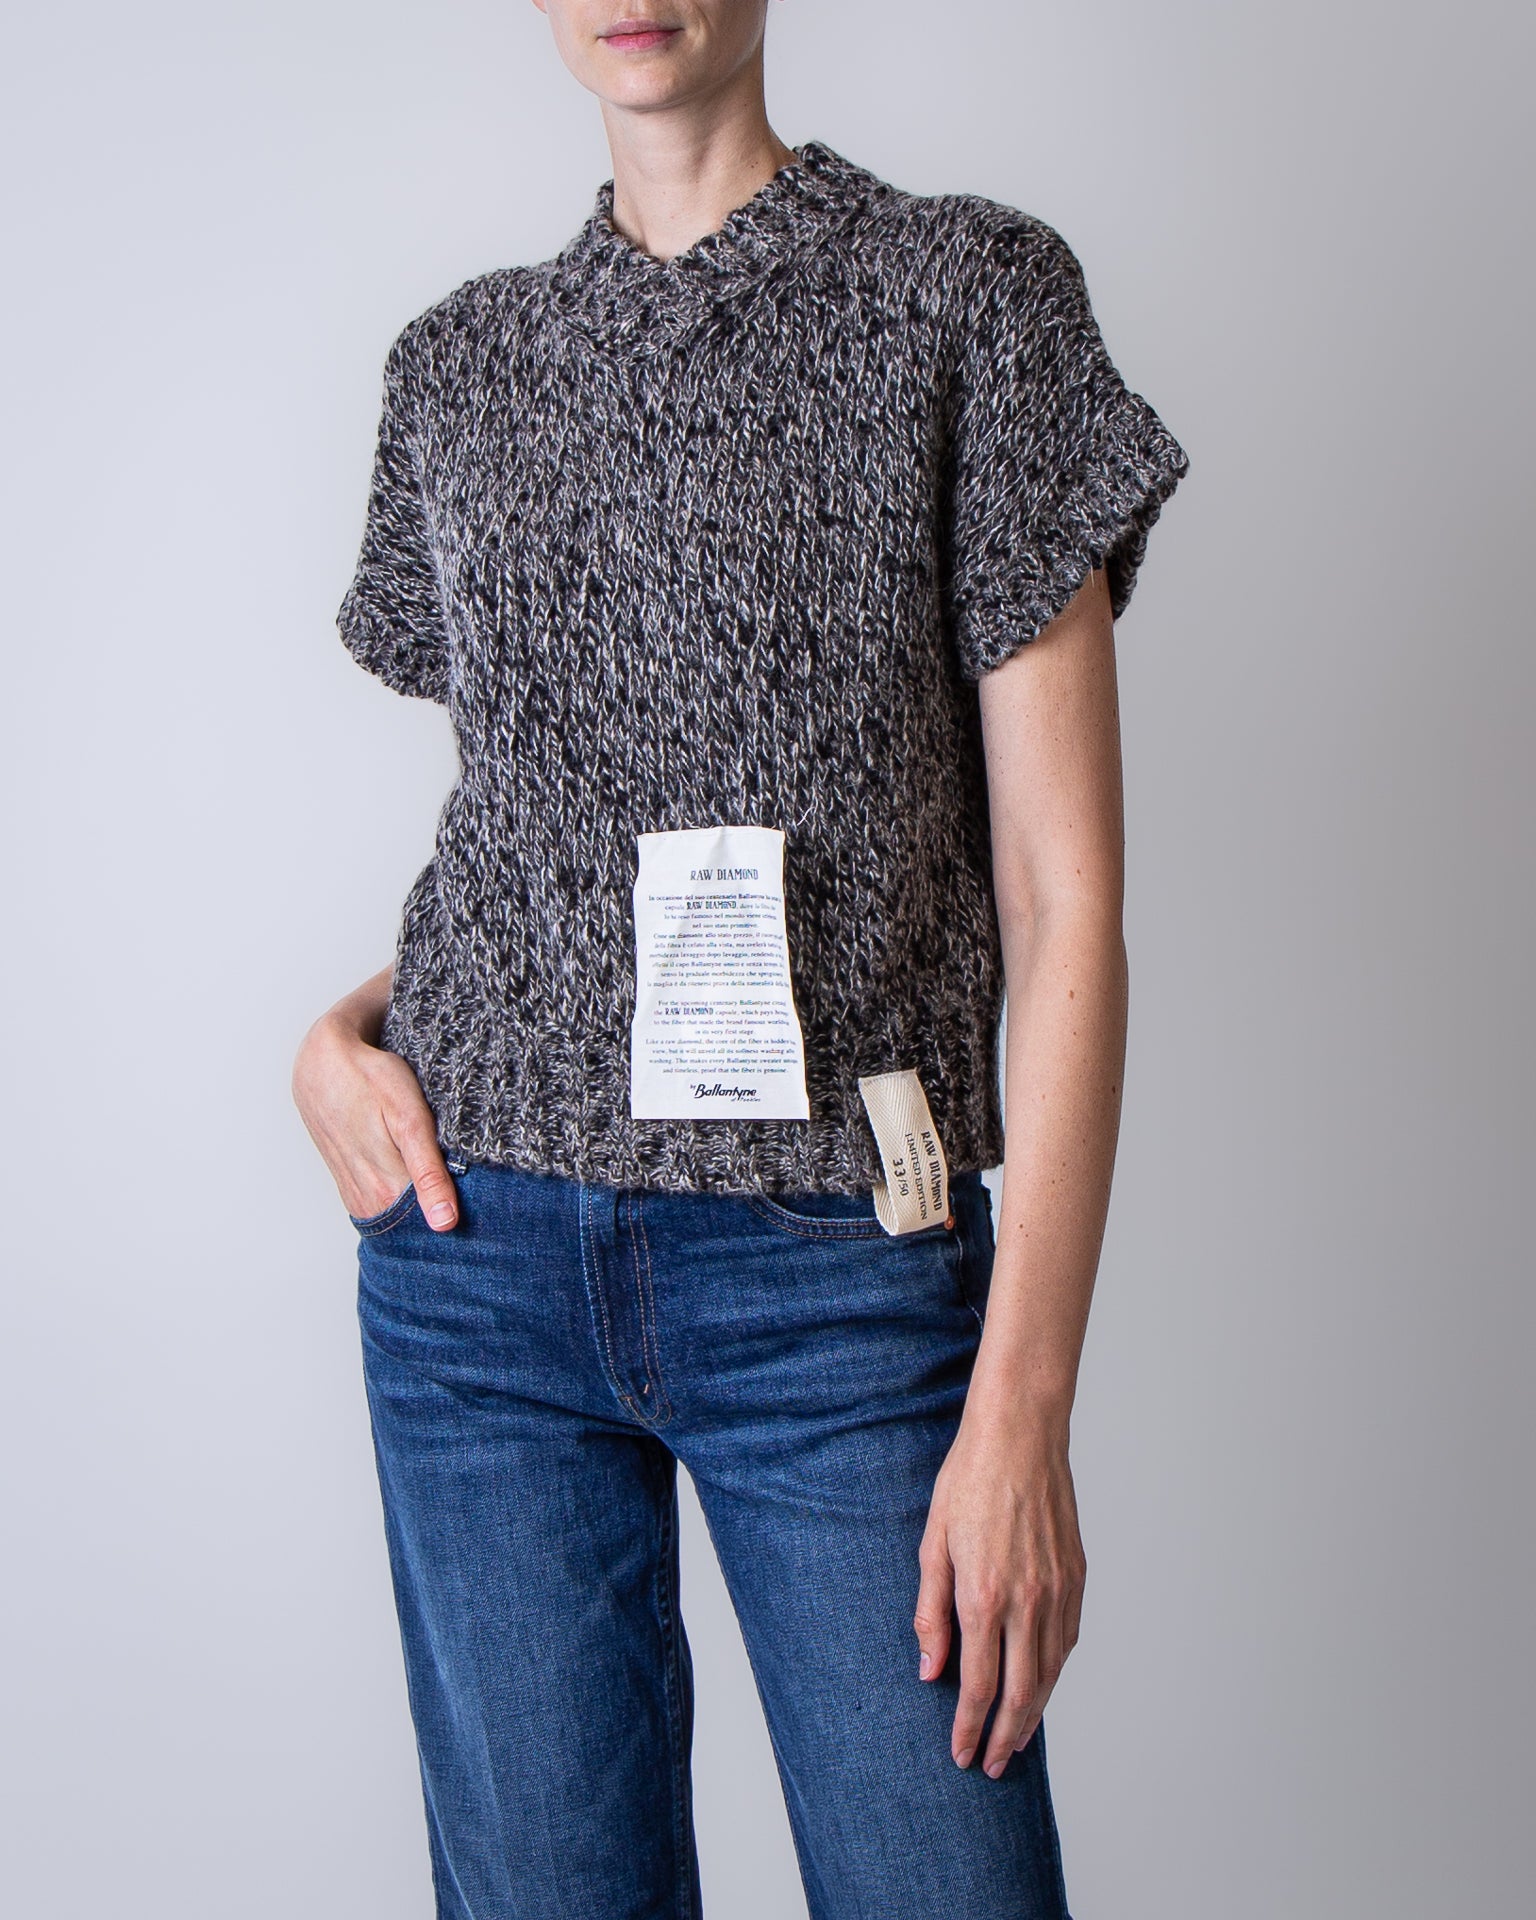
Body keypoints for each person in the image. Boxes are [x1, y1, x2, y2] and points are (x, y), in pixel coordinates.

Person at [292, 4, 1188, 1914]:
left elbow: (1065, 897)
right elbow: (544, 845)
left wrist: (1025, 1406)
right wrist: (345, 1032)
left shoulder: (972, 297)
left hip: (837, 1279)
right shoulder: (456, 367)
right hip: (478, 1270)